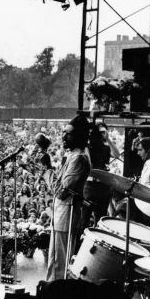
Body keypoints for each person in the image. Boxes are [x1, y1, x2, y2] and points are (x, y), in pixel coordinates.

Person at [46, 116, 91, 282]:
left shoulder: (79, 158)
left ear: (79, 136)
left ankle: (58, 297)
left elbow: (61, 191)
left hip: (67, 216)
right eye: (63, 132)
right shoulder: (72, 156)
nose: (63, 137)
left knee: (61, 263)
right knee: (54, 260)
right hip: (60, 215)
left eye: (68, 134)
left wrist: (47, 170)